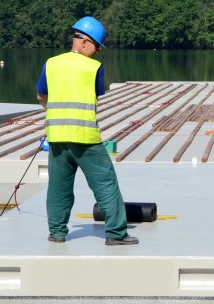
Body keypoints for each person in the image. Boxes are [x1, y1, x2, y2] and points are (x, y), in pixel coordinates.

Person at [36, 16, 139, 246]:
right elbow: (92, 94)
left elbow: (41, 96)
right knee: (105, 184)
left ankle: (57, 233)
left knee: (58, 187)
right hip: (86, 139)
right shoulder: (94, 68)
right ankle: (116, 234)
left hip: (57, 137)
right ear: (84, 42)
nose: (97, 53)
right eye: (97, 47)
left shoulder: (51, 64)